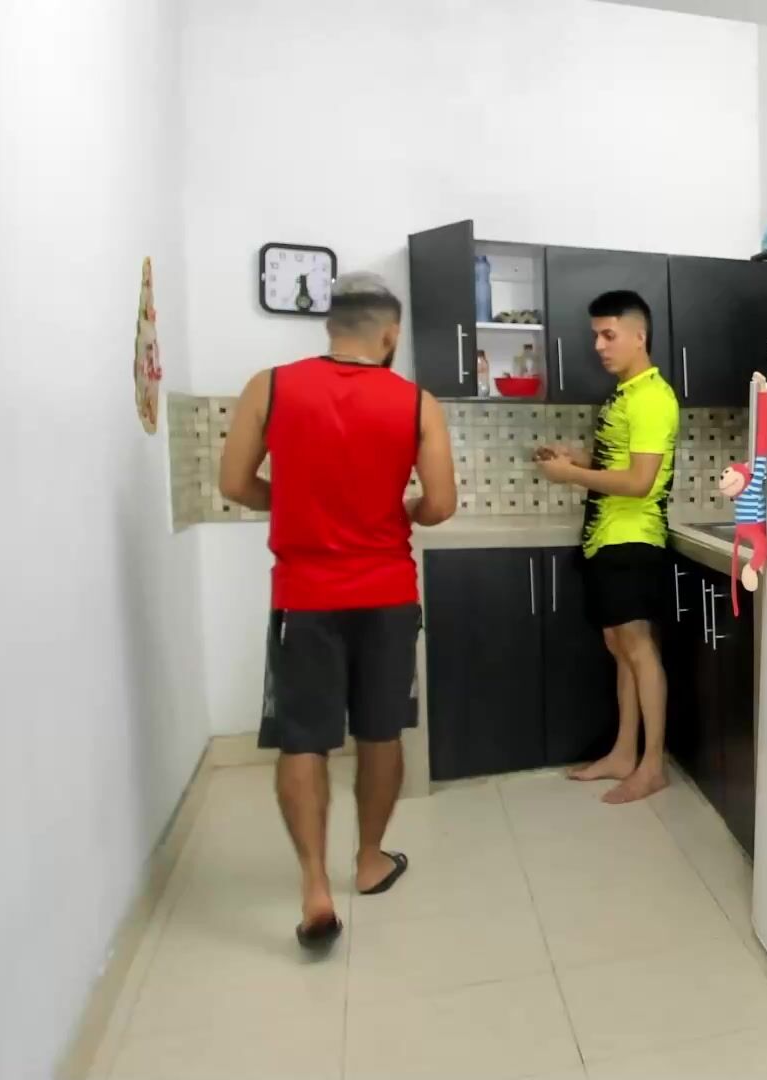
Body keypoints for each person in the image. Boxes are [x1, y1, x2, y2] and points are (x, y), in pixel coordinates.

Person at [218, 272, 457, 950]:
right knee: (381, 733)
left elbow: (234, 482)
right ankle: (371, 860)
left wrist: (294, 502)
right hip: (386, 594)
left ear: (330, 327)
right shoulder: (416, 403)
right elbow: (440, 505)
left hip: (304, 598)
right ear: (391, 334)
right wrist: (404, 509)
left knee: (303, 740)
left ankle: (314, 887)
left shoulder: (270, 386)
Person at [535, 290, 679, 804]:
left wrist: (571, 475)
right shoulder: (625, 393)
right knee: (620, 647)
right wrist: (577, 458)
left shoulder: (652, 398)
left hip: (633, 539)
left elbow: (640, 482)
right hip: (605, 537)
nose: (598, 345)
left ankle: (652, 765)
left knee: (638, 648)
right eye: (596, 335)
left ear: (639, 336)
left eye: (608, 335)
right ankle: (623, 753)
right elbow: (618, 462)